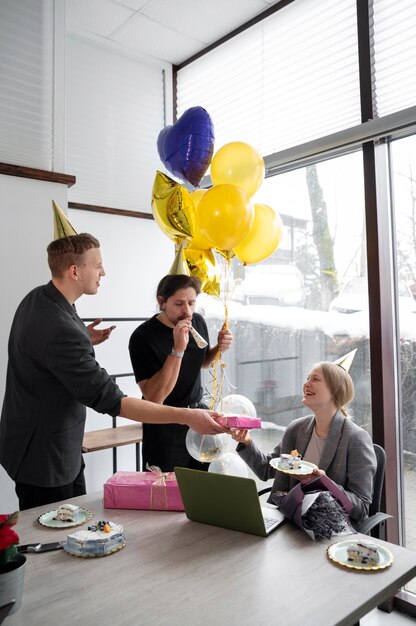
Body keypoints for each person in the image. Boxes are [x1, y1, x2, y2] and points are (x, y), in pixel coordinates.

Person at [0, 234, 228, 510]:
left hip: (41, 441)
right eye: (97, 265)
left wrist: (82, 337)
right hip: (45, 453)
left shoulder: (39, 298)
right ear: (74, 271)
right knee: (54, 537)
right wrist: (188, 416)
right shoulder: (66, 330)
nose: (103, 272)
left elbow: (47, 346)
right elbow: (114, 401)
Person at [231, 361, 377, 526]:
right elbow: (267, 470)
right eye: (307, 378)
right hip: (289, 518)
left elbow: (361, 507)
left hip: (329, 527)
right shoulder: (296, 429)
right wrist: (246, 442)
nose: (306, 384)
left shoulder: (356, 438)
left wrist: (324, 482)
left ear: (335, 389)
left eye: (315, 379)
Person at [129, 274, 233, 472]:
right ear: (161, 302)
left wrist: (219, 346)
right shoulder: (143, 337)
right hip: (164, 421)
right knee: (165, 489)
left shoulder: (198, 321)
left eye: (191, 303)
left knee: (201, 485)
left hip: (197, 416)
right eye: (178, 303)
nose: (187, 311)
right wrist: (178, 350)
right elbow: (154, 397)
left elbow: (202, 362)